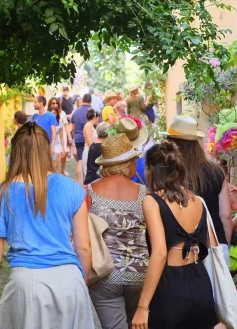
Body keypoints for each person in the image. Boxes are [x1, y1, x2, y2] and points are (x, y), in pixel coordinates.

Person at [0, 122, 94, 328]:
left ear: (16, 152)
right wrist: (79, 284)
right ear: (46, 149)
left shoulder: (2, 194)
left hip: (26, 285)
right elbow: (84, 247)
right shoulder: (72, 189)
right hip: (69, 280)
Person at [132, 140, 217, 329]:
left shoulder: (152, 201)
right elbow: (209, 243)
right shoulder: (198, 201)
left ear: (151, 170)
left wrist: (142, 306)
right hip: (200, 282)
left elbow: (160, 253)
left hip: (170, 288)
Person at [87, 134, 148, 329]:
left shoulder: (88, 192)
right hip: (140, 275)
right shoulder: (144, 193)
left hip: (104, 274)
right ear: (128, 163)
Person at [164, 115, 232, 266]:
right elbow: (226, 216)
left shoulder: (168, 172)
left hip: (180, 250)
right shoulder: (217, 171)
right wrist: (224, 245)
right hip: (216, 245)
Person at [48, 97, 73, 176]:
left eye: (56, 103)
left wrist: (69, 136)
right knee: (50, 163)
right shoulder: (46, 116)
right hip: (48, 144)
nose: (55, 104)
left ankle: (62, 170)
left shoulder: (62, 114)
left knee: (57, 160)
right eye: (53, 103)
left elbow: (65, 126)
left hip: (58, 143)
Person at [71, 93, 92, 185]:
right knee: (90, 161)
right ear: (91, 101)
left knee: (80, 161)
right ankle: (89, 183)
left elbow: (72, 128)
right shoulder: (92, 111)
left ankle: (79, 183)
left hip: (78, 138)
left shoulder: (75, 112)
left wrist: (73, 137)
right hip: (90, 138)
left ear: (82, 100)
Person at [82, 108, 100, 179]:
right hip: (89, 151)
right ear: (95, 117)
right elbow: (89, 141)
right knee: (88, 171)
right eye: (98, 117)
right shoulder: (88, 125)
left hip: (92, 150)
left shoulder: (91, 126)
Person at [48, 105, 66, 170]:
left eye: (54, 113)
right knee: (47, 165)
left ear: (57, 114)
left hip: (56, 146)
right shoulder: (46, 122)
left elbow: (61, 137)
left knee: (55, 164)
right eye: (51, 113)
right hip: (46, 145)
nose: (53, 114)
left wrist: (63, 149)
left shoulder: (59, 123)